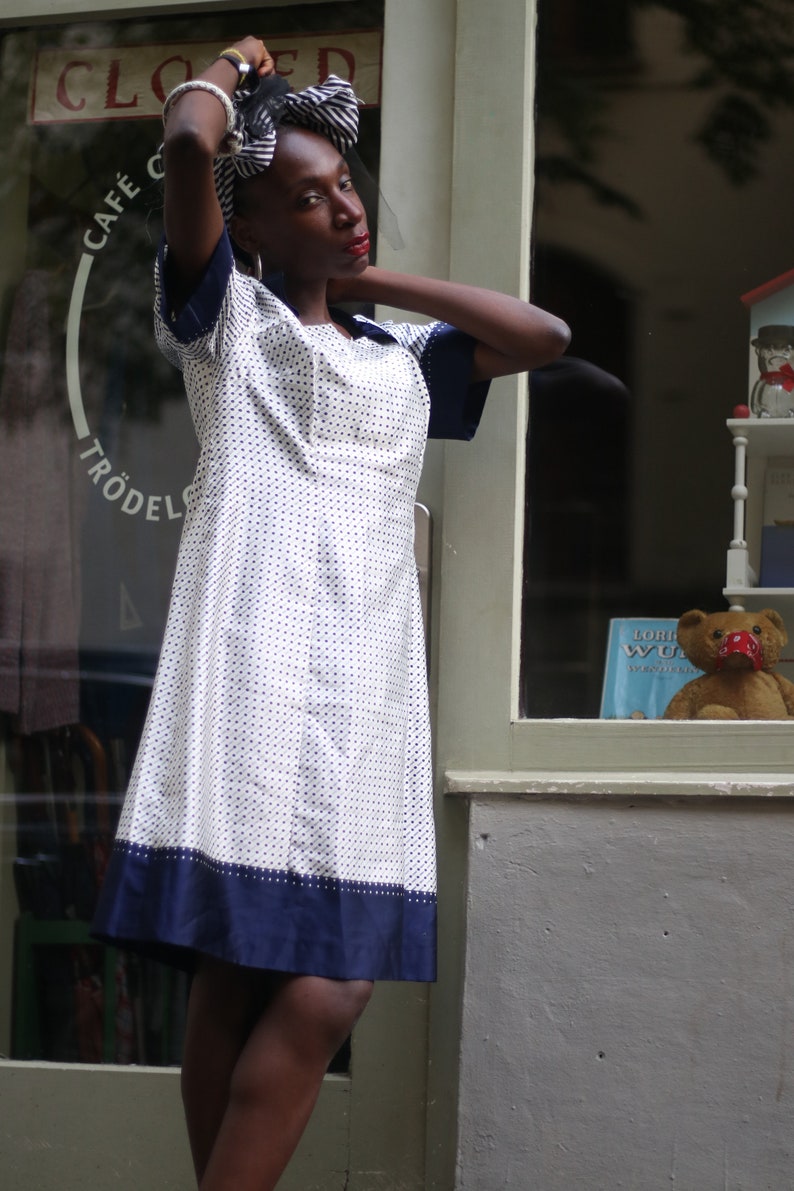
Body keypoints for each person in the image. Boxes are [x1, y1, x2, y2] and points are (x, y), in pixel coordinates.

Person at [92, 35, 570, 1191]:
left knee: (324, 983)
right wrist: (217, 68)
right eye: (305, 199)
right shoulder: (226, 330)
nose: (341, 207)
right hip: (252, 662)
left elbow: (541, 337)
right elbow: (188, 142)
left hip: (361, 687)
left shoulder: (402, 360)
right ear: (248, 228)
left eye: (343, 186)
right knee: (240, 970)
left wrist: (366, 284)